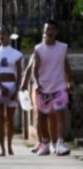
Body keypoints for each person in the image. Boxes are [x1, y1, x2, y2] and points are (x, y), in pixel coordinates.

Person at [30, 20, 72, 156]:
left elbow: (65, 64)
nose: (50, 32)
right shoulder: (38, 49)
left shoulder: (62, 47)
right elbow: (34, 69)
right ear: (44, 32)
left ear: (56, 32)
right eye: (48, 29)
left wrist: (70, 80)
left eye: (53, 29)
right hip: (43, 87)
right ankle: (45, 143)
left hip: (59, 86)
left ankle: (60, 143)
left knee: (60, 114)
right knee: (42, 117)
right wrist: (37, 83)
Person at [0, 26, 22, 156]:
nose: (1, 36)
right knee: (0, 118)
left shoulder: (16, 54)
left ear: (9, 36)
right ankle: (2, 149)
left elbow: (19, 74)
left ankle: (9, 146)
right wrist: (1, 87)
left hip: (12, 86)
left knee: (10, 118)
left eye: (3, 34)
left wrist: (16, 89)